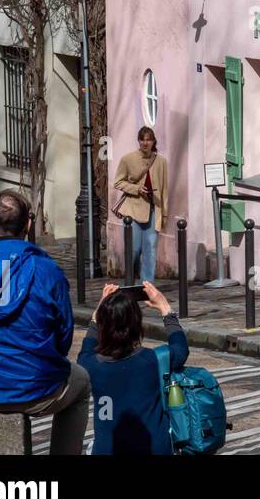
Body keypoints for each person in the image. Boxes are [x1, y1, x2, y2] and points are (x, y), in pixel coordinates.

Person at [0, 190, 90, 455]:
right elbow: (63, 337)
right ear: (28, 225)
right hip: (38, 388)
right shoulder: (48, 271)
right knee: (81, 383)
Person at [77, 281, 187, 455]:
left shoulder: (90, 365)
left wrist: (98, 313)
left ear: (103, 327)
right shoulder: (153, 360)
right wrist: (164, 307)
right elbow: (181, 349)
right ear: (137, 325)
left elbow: (86, 349)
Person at [113, 127, 169, 283]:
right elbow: (118, 182)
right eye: (142, 139)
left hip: (153, 209)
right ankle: (130, 281)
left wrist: (164, 214)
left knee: (150, 249)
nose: (145, 143)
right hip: (133, 211)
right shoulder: (127, 159)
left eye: (149, 139)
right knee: (134, 249)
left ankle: (147, 286)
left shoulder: (161, 161)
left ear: (153, 141)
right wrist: (136, 189)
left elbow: (164, 189)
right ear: (138, 141)